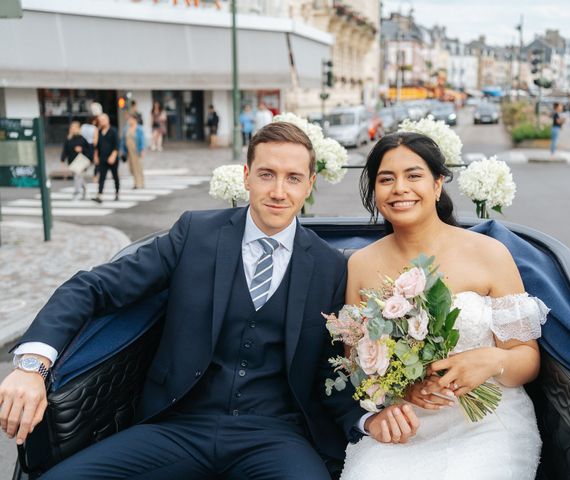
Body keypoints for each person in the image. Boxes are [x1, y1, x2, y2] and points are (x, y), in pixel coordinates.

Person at [0, 122, 419, 479]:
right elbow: (92, 287)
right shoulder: (194, 235)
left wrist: (365, 418)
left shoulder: (330, 266)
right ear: (247, 176)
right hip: (178, 426)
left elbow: (334, 369)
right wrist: (32, 366)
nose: (278, 191)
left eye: (293, 178)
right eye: (267, 174)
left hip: (275, 434)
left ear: (309, 184)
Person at [340, 132, 548, 479]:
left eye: (414, 175)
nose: (400, 188)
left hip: (488, 421)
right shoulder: (360, 265)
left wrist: (493, 360)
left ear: (437, 185)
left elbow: (527, 358)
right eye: (386, 179)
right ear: (375, 193)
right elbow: (354, 365)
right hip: (406, 423)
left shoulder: (489, 253)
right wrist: (402, 388)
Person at [92, 113, 119, 203]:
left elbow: (116, 145)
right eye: (100, 120)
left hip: (112, 158)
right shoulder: (98, 132)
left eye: (103, 120)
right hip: (102, 157)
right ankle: (99, 194)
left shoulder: (113, 131)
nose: (102, 122)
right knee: (102, 177)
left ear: (107, 120)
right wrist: (96, 156)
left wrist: (113, 156)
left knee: (115, 176)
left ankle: (117, 193)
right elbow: (95, 145)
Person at [60, 121, 90, 200]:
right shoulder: (69, 139)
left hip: (81, 162)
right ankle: (84, 188)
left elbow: (89, 149)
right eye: (72, 127)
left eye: (74, 127)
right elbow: (65, 150)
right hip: (72, 162)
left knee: (77, 177)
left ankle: (76, 193)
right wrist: (62, 160)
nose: (72, 129)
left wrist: (81, 149)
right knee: (79, 177)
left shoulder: (82, 139)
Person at [120, 115, 146, 189]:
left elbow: (142, 140)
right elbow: (123, 139)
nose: (129, 121)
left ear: (135, 120)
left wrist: (142, 149)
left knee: (138, 167)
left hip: (136, 150)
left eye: (131, 119)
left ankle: (140, 183)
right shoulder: (126, 128)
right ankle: (136, 182)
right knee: (131, 168)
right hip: (128, 151)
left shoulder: (139, 128)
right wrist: (122, 150)